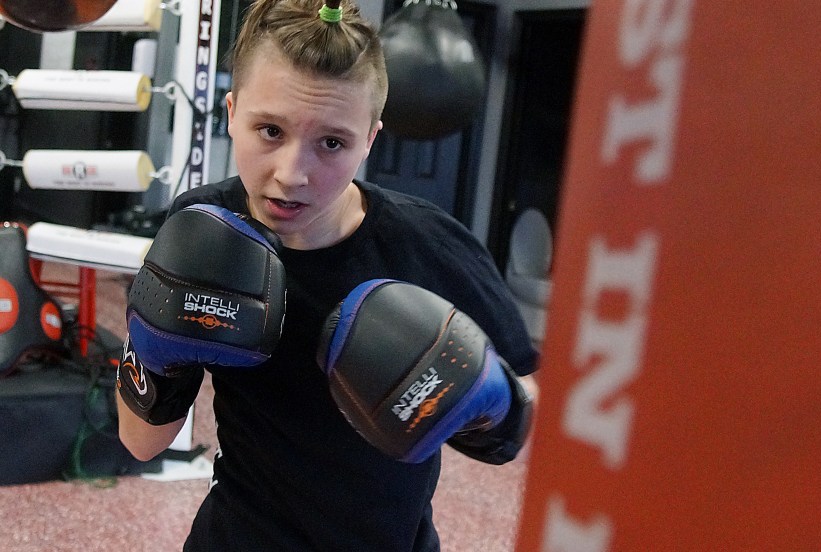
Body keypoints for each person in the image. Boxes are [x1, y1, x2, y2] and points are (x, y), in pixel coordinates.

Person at [114, 0, 538, 550]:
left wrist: (489, 398)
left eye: (332, 143)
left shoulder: (427, 244)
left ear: (370, 140)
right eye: (269, 130)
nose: (292, 175)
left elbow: (530, 401)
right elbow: (140, 442)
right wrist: (155, 351)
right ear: (231, 111)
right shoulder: (204, 228)